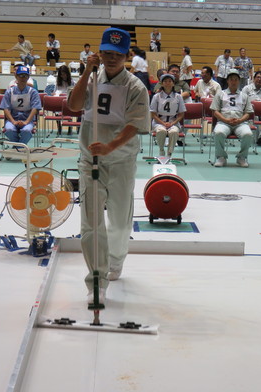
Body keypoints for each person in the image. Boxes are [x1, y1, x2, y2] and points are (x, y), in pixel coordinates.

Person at [67, 27, 150, 302]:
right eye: (107, 53)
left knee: (120, 223)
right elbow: (74, 105)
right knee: (91, 223)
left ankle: (116, 259)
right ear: (99, 53)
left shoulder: (135, 87)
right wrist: (85, 73)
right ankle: (97, 281)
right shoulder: (91, 78)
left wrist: (110, 146)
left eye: (117, 54)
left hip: (121, 161)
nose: (111, 58)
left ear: (126, 56)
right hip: (89, 161)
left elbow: (135, 125)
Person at [210, 69, 254, 168]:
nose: (233, 82)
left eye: (236, 79)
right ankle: (221, 157)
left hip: (240, 123)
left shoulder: (244, 96)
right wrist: (225, 120)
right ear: (227, 81)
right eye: (231, 79)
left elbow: (248, 112)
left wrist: (240, 120)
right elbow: (215, 111)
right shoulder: (220, 94)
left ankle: (241, 157)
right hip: (224, 122)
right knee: (218, 133)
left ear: (239, 81)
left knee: (248, 134)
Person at [0, 65, 41, 145]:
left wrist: (26, 122)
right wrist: (13, 121)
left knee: (26, 131)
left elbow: (35, 109)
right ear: (16, 76)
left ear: (28, 77)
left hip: (28, 120)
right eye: (21, 75)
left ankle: (17, 148)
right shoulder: (9, 92)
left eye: (25, 76)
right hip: (12, 119)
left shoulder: (33, 92)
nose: (23, 78)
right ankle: (20, 147)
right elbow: (5, 108)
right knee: (9, 130)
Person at [150, 73, 186, 156]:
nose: (167, 83)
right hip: (159, 122)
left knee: (174, 132)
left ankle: (169, 153)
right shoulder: (156, 97)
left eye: (170, 81)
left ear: (173, 83)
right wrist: (163, 123)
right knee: (161, 131)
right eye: (165, 81)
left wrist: (172, 123)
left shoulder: (178, 97)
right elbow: (153, 114)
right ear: (162, 84)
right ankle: (161, 151)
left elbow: (181, 114)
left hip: (173, 122)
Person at [242, 71, 261, 146]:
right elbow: (242, 101)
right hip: (251, 112)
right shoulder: (247, 89)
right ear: (254, 78)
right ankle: (256, 139)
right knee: (254, 117)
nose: (259, 79)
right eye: (258, 77)